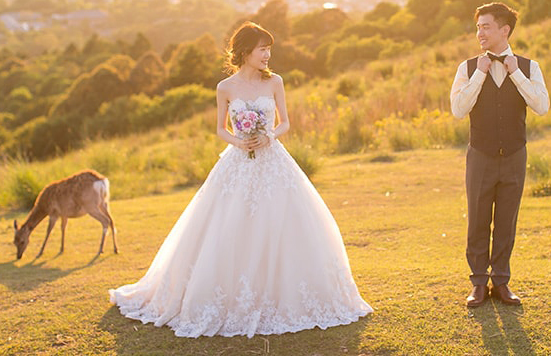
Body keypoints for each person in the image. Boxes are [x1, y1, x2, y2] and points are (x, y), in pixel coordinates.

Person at [109, 21, 372, 337]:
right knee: (229, 225)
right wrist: (239, 141)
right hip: (238, 162)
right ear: (246, 51)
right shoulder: (225, 88)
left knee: (284, 224)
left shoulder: (275, 82)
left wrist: (269, 136)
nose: (267, 54)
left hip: (273, 160)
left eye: (269, 49)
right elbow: (220, 128)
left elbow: (285, 122)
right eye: (262, 49)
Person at [450, 2, 549, 308]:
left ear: (504, 30)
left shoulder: (529, 67)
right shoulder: (467, 68)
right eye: (478, 26)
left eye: (486, 26)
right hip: (480, 156)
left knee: (506, 221)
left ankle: (502, 282)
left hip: (515, 156)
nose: (480, 32)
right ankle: (478, 283)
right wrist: (479, 76)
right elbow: (458, 110)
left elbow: (541, 106)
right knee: (478, 219)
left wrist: (516, 74)